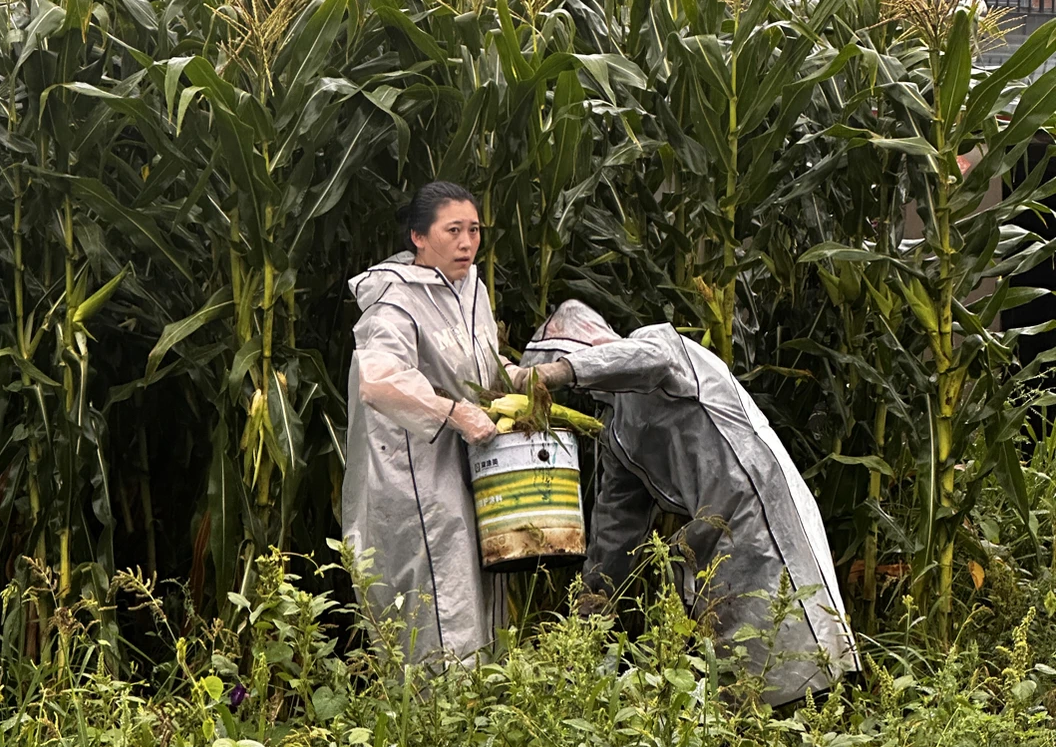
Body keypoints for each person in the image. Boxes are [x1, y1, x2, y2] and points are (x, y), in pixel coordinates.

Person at [520, 300, 860, 706]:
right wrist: (589, 614)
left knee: (797, 635)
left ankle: (821, 726)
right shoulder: (619, 431)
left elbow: (650, 358)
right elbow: (616, 527)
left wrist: (551, 374)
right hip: (713, 533)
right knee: (738, 669)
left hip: (759, 505)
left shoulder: (655, 345)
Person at [343, 181, 524, 663]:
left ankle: (487, 716)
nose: (467, 243)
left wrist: (521, 381)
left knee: (482, 591)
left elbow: (478, 366)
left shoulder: (473, 292)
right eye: (453, 231)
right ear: (418, 238)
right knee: (442, 598)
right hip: (417, 478)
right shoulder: (394, 301)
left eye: (474, 230)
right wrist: (455, 412)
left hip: (471, 469)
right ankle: (438, 722)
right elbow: (378, 383)